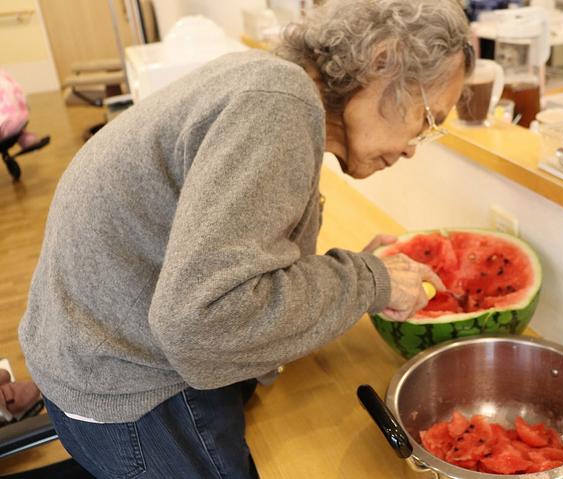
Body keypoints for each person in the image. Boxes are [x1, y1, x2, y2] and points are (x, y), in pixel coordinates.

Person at [18, 0, 474, 477]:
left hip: (89, 368)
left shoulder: (271, 82)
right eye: (426, 118)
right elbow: (201, 322)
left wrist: (351, 281)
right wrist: (366, 280)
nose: (411, 148)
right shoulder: (281, 104)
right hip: (137, 402)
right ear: (383, 60)